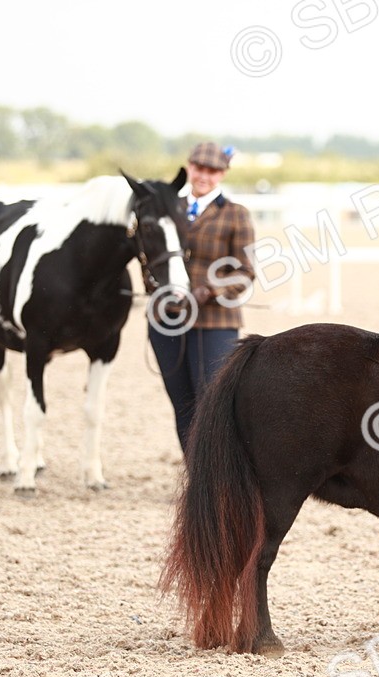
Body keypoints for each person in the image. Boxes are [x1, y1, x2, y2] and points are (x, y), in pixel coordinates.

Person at [150, 141, 256, 449]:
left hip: (215, 321)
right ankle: (195, 476)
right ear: (189, 167)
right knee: (181, 404)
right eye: (199, 169)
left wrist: (211, 289)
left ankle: (219, 479)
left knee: (212, 407)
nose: (204, 176)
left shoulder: (236, 214)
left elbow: (245, 271)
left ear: (221, 174)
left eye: (212, 171)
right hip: (167, 321)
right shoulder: (169, 208)